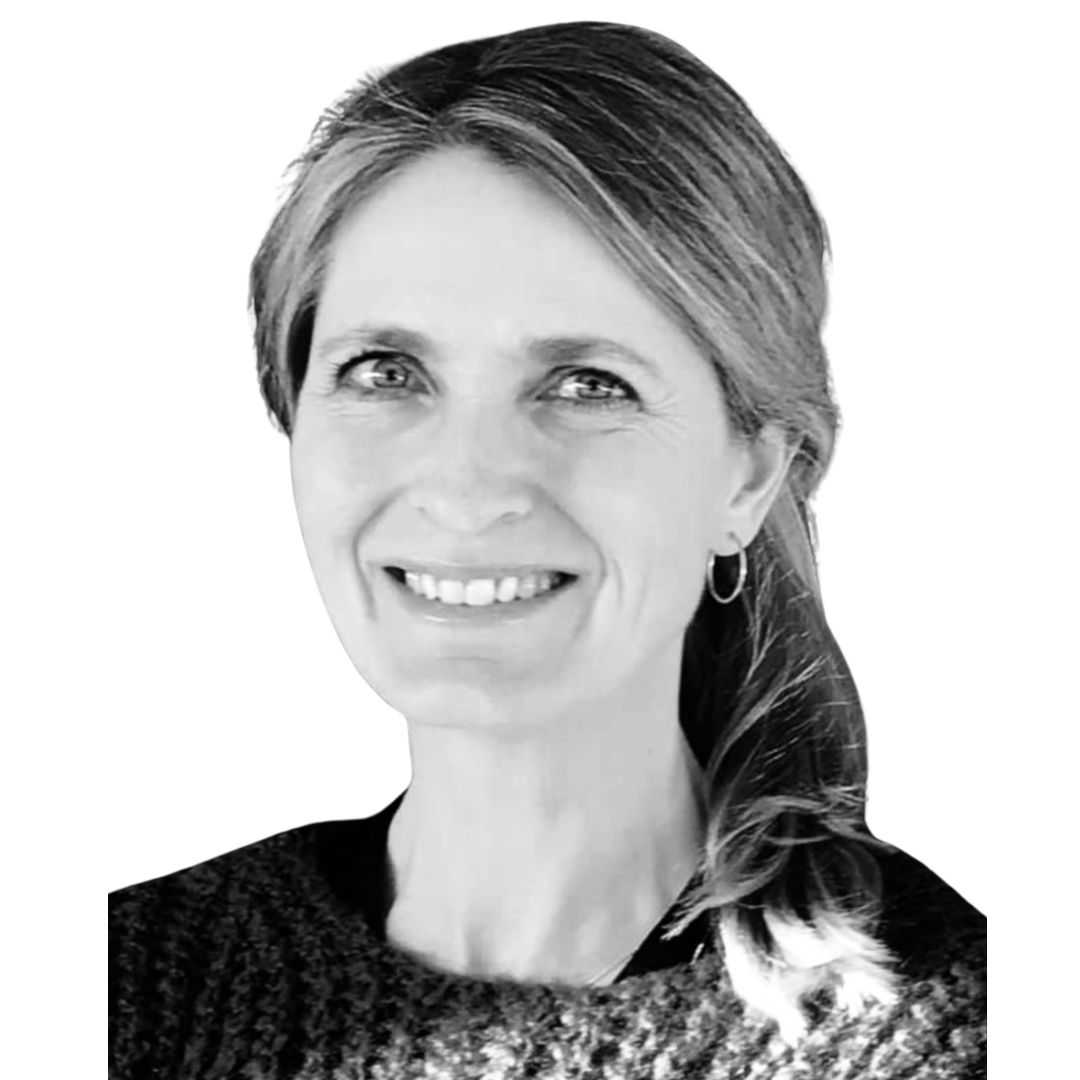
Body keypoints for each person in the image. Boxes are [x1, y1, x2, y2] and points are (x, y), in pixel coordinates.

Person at [108, 20, 985, 1078]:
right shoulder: (112, 988)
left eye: (587, 385)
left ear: (750, 477)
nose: (466, 490)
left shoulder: (970, 1034)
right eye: (386, 371)